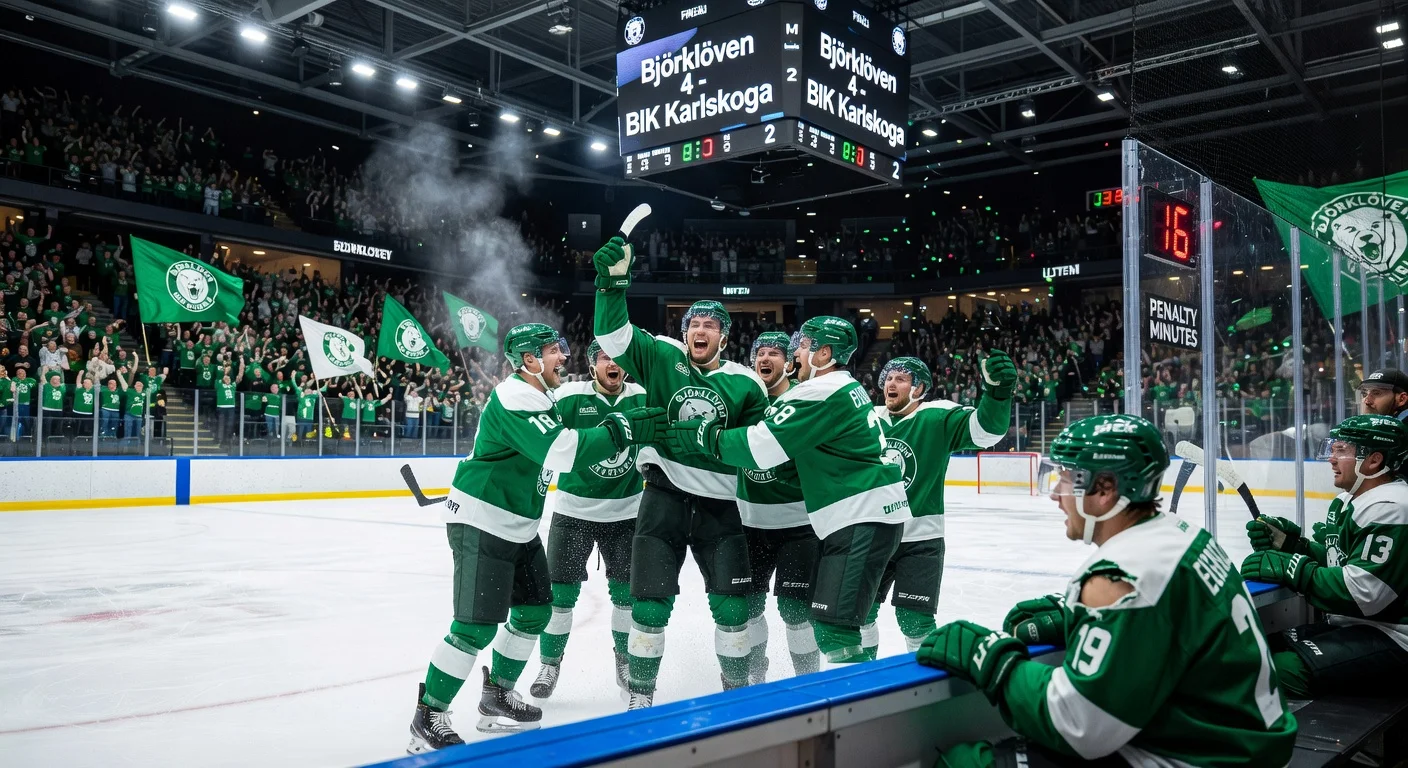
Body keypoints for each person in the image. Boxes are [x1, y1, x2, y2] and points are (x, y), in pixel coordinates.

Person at [921, 414, 1296, 767]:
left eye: (1065, 479)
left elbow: (1080, 723)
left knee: (966, 762)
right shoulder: (1183, 534)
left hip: (1205, 756)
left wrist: (992, 659)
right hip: (1247, 743)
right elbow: (1167, 623)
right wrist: (1081, 617)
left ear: (1103, 490)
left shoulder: (1121, 575)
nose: (1055, 494)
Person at [406, 323, 667, 752]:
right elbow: (564, 452)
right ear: (529, 360)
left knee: (534, 612)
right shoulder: (516, 396)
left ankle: (497, 696)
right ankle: (429, 714)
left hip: (517, 526)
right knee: (473, 628)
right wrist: (621, 427)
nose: (563, 356)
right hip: (483, 522)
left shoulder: (541, 395)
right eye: (552, 351)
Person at [670, 316, 911, 667]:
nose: (796, 352)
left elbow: (759, 447)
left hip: (861, 517)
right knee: (835, 627)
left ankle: (858, 710)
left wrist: (707, 435)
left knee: (833, 630)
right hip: (865, 516)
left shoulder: (819, 392)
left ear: (824, 353)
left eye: (802, 346)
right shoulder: (845, 387)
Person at [592, 236, 771, 707]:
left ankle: (734, 695)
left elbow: (761, 448)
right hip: (662, 497)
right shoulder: (662, 355)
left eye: (711, 324)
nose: (700, 329)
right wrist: (612, 288)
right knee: (648, 607)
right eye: (694, 322)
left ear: (724, 338)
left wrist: (712, 443)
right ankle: (641, 695)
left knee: (732, 609)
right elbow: (612, 340)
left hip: (719, 507)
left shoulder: (746, 383)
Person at [1241, 414, 1408, 699]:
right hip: (1357, 627)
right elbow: (1341, 561)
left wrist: (1291, 569)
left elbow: (1364, 593)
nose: (1331, 458)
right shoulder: (1349, 500)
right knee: (1256, 646)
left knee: (1272, 670)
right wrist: (1295, 546)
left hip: (1394, 636)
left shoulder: (1392, 506)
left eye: (1341, 450)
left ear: (1374, 460)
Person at [863, 355, 1013, 657]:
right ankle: (861, 680)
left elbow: (987, 433)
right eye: (888, 378)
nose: (891, 383)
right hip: (870, 535)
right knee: (860, 616)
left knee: (915, 620)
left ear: (919, 388)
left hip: (920, 538)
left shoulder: (937, 417)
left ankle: (920, 685)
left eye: (901, 378)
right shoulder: (866, 418)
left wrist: (997, 393)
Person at [529, 341, 647, 701]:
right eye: (603, 358)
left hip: (626, 513)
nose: (611, 363)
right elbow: (539, 440)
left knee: (627, 597)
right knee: (560, 597)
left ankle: (625, 660)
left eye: (616, 358)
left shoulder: (642, 397)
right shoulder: (568, 397)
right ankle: (549, 663)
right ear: (592, 364)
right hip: (572, 512)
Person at [736, 331, 821, 681]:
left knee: (795, 610)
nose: (765, 359)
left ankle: (808, 681)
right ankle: (757, 675)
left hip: (799, 527)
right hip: (749, 525)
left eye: (774, 353)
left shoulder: (803, 402)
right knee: (749, 607)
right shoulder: (743, 401)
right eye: (760, 352)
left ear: (788, 362)